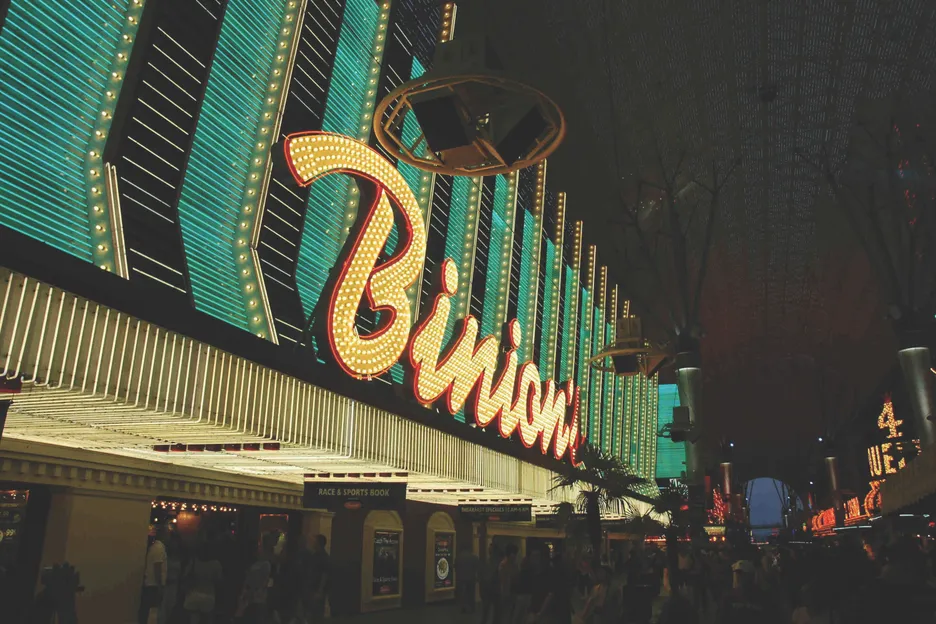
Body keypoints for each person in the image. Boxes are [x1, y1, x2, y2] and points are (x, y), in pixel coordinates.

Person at [715, 559, 780, 624]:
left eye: (743, 574)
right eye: (737, 573)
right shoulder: (729, 596)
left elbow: (767, 616)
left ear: (750, 575)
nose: (739, 576)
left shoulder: (760, 595)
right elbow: (721, 618)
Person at [239, 533, 276, 623]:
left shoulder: (268, 563)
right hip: (253, 598)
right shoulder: (258, 561)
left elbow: (268, 581)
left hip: (258, 598)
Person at [182, 542, 223, 624]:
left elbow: (185, 576)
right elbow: (219, 582)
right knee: (207, 620)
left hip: (193, 596)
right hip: (209, 597)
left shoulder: (194, 561)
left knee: (193, 620)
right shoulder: (215, 564)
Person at [140, 526, 168, 624]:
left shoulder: (152, 547)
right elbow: (157, 567)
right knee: (153, 612)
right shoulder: (159, 547)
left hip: (148, 583)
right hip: (154, 585)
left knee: (146, 612)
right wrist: (160, 586)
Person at [301, 534, 331, 624]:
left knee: (317, 613)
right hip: (311, 587)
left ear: (318, 543)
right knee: (310, 611)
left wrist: (320, 590)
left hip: (316, 588)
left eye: (314, 541)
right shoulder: (314, 555)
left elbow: (325, 574)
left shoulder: (323, 557)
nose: (312, 543)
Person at [159, 533, 184, 624]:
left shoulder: (181, 557)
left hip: (174, 584)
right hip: (165, 584)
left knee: (171, 606)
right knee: (162, 608)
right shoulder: (165, 555)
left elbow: (181, 573)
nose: (175, 544)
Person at [480, 544, 502, 624]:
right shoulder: (489, 560)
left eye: (490, 549)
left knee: (495, 609)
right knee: (487, 609)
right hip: (490, 589)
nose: (489, 551)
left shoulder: (497, 561)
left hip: (494, 588)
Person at [455, 547, 480, 614]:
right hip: (471, 578)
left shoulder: (458, 557)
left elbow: (455, 567)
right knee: (471, 593)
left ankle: (463, 607)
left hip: (461, 578)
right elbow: (478, 567)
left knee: (462, 593)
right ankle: (472, 607)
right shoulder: (474, 557)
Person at [499, 544, 520, 621]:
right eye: (514, 554)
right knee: (506, 613)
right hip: (506, 592)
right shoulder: (503, 565)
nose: (515, 556)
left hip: (513, 591)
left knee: (511, 613)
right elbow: (503, 579)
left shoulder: (515, 564)